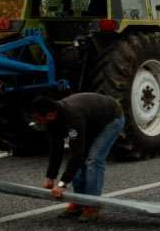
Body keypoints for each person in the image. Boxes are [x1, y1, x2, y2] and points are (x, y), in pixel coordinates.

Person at [31, 93, 125, 223]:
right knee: (76, 161)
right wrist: (50, 176)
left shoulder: (73, 118)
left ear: (50, 115)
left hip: (111, 119)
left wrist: (62, 184)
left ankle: (93, 204)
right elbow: (56, 148)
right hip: (91, 121)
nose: (37, 122)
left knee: (93, 159)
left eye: (38, 119)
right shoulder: (52, 119)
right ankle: (79, 201)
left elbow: (77, 154)